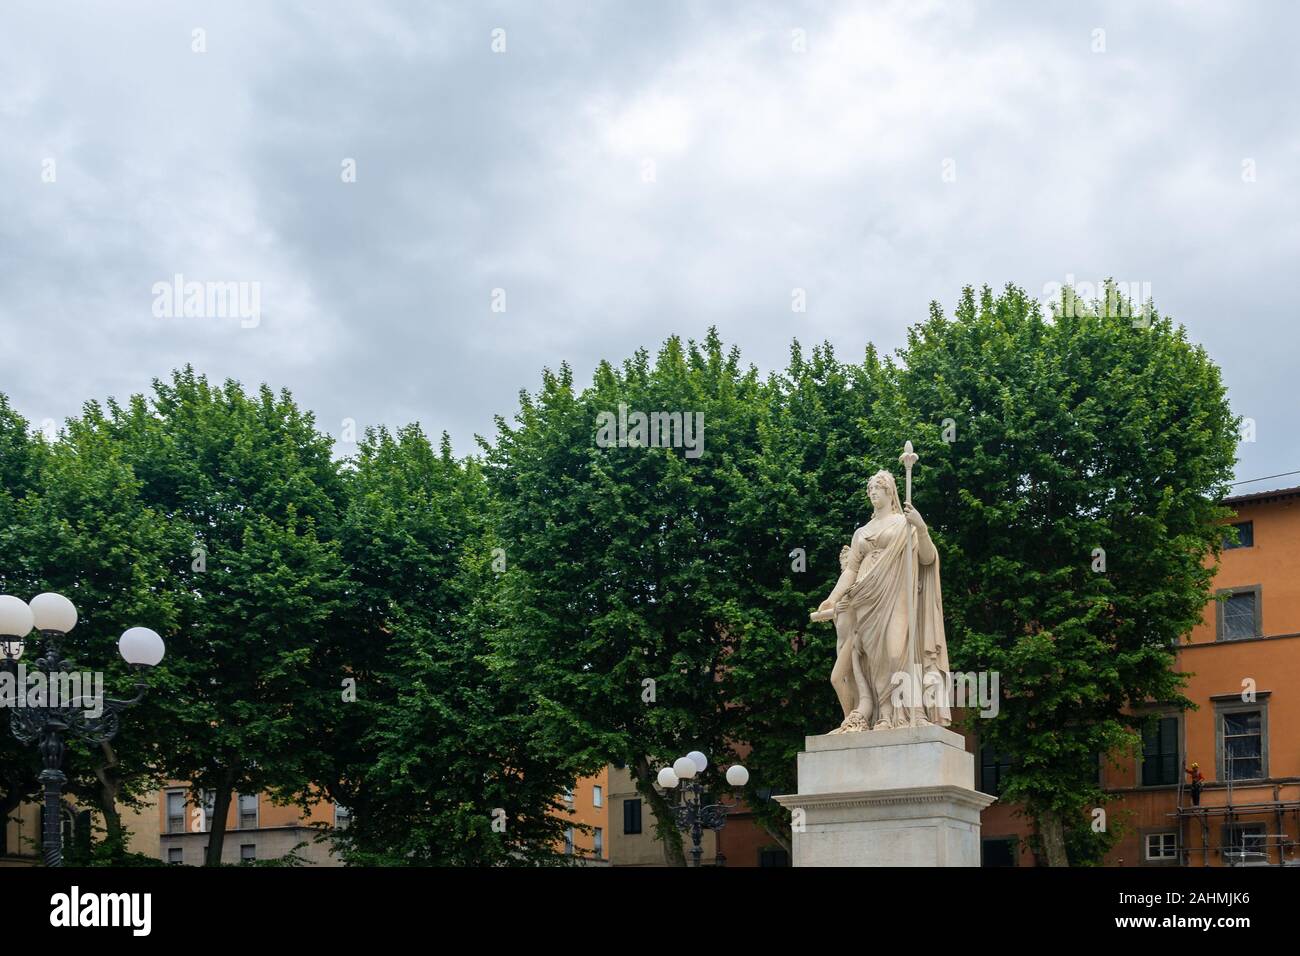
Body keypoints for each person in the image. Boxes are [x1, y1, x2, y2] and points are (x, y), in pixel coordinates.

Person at [815, 468, 951, 733]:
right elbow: (852, 570)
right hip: (865, 597)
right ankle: (885, 715)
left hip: (895, 594)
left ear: (890, 492)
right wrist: (832, 598)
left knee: (895, 651)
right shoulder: (861, 532)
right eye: (870, 489)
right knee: (874, 660)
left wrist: (921, 529)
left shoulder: (904, 524)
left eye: (878, 488)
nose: (873, 492)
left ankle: (908, 711)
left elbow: (926, 559)